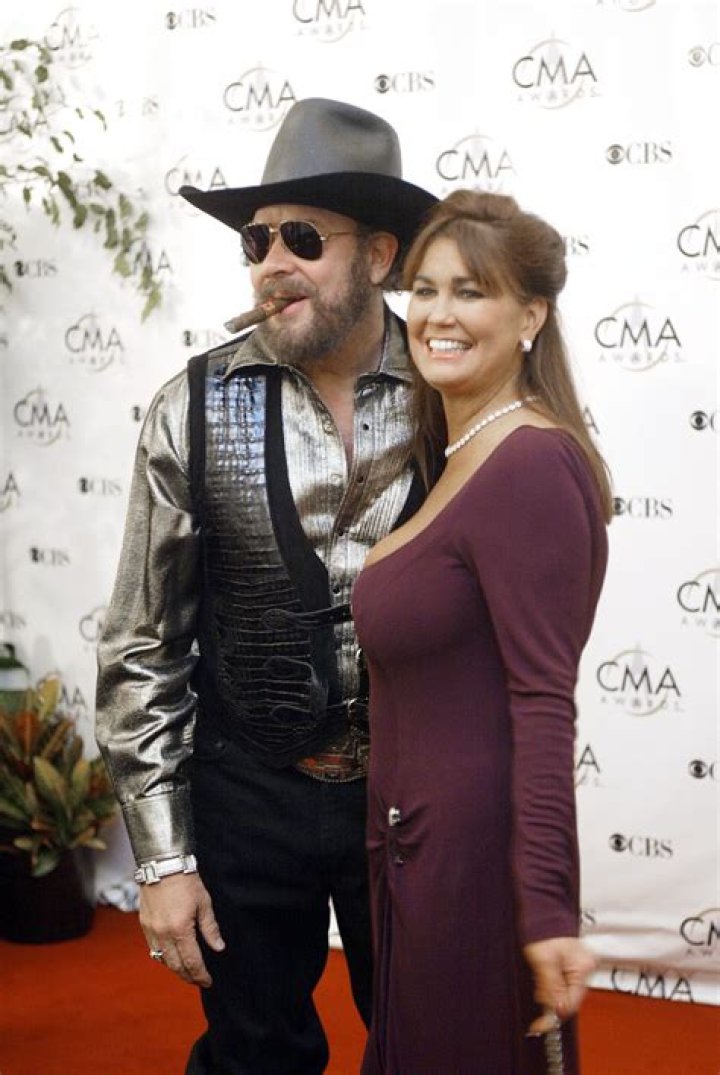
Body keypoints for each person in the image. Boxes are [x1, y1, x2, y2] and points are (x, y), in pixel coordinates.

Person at [95, 97, 437, 1075]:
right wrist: (164, 859)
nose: (272, 262)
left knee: (431, 1046)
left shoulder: (453, 391)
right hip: (245, 791)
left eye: (303, 239)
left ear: (379, 256)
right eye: (257, 241)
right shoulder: (191, 408)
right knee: (253, 1055)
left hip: (413, 800)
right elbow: (142, 647)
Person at [352, 189, 612, 1074]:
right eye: (425, 289)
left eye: (471, 291)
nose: (439, 314)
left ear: (530, 316)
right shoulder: (459, 456)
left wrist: (546, 905)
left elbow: (543, 704)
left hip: (475, 869)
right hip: (415, 857)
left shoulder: (531, 462)